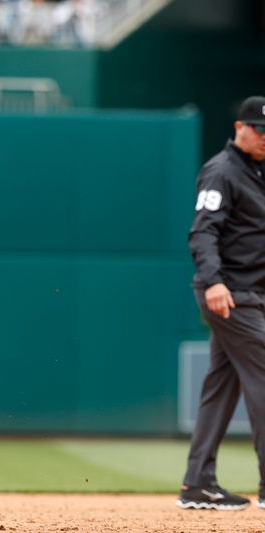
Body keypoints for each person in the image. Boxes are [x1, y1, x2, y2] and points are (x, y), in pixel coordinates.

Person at [178, 95, 265, 511]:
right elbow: (203, 232)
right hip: (231, 293)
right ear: (239, 128)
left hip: (250, 292)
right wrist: (213, 281)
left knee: (221, 383)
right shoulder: (222, 170)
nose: (264, 138)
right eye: (258, 129)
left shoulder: (256, 171)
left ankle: (198, 484)